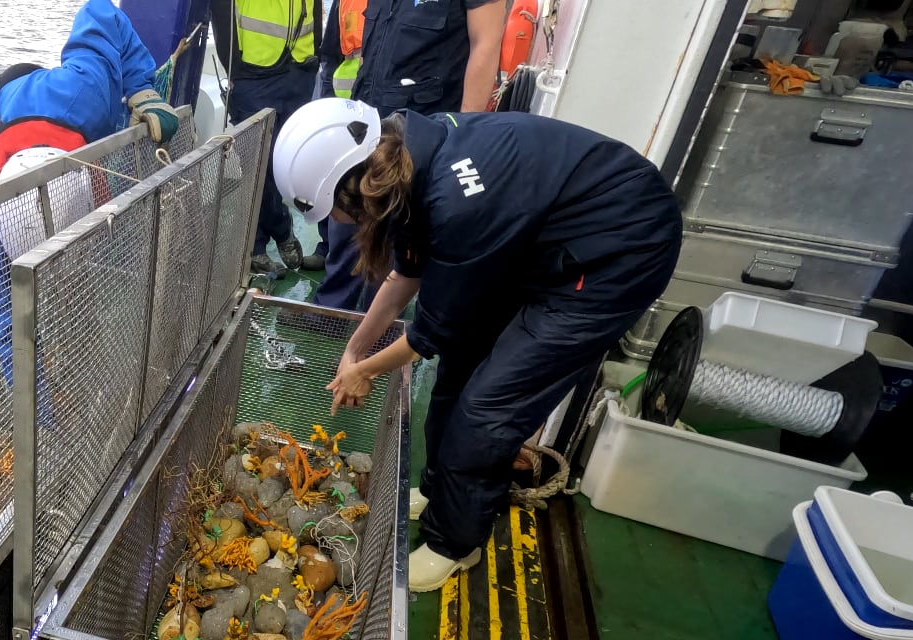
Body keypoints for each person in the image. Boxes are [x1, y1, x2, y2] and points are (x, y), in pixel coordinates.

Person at [272, 98, 681, 592]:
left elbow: (426, 337)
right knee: (461, 366)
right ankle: (438, 491)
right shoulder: (405, 165)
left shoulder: (455, 202)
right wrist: (355, 348)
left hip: (617, 251)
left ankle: (454, 544)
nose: (337, 223)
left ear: (354, 185)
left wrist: (365, 372)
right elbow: (407, 274)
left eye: (335, 211)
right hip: (544, 238)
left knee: (488, 405)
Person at [0, 0, 178, 402]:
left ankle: (82, 381)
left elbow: (101, 11)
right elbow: (2, 320)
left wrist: (142, 88)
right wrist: (42, 418)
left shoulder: (84, 96)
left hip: (45, 117)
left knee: (75, 287)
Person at [312, 0, 506, 312]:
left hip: (420, 130)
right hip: (368, 121)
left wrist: (465, 134)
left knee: (398, 236)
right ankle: (331, 310)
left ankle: (376, 327)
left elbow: (486, 42)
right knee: (348, 219)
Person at [210, 0, 327, 279]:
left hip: (300, 69)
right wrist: (236, 68)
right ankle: (273, 236)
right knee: (257, 165)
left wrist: (312, 57)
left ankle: (261, 246)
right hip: (254, 73)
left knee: (286, 165)